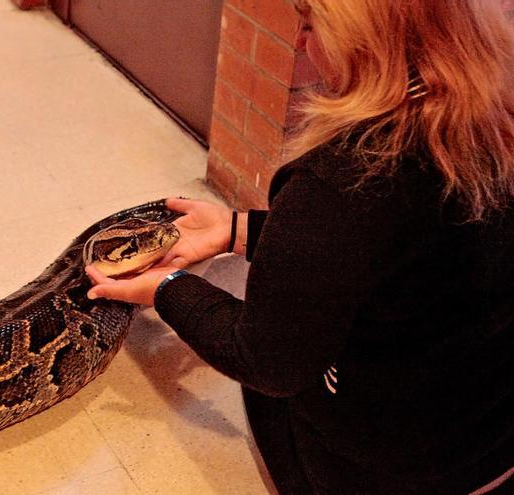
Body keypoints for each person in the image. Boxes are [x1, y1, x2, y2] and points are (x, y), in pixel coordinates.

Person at [85, 0, 514, 493]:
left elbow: (266, 361)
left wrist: (168, 288)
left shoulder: (345, 180)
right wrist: (239, 227)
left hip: (391, 474)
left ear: (363, 40)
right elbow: (403, 251)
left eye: (311, 24)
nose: (301, 44)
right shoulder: (490, 119)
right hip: (489, 444)